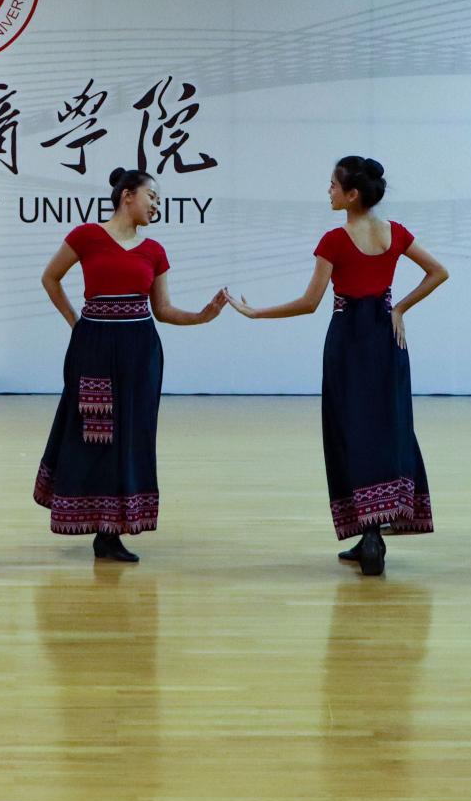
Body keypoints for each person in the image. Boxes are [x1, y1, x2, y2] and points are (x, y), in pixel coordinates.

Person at [232, 156, 448, 574]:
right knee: (389, 427)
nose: (328, 191)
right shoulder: (395, 233)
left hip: (348, 341)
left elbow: (309, 302)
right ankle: (374, 532)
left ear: (352, 194)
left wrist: (257, 312)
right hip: (386, 338)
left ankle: (368, 532)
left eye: (333, 185)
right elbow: (438, 272)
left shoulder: (334, 240)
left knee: (349, 432)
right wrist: (399, 307)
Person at [35, 168, 229, 562]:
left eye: (158, 200)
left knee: (131, 435)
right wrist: (77, 322)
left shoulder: (154, 250)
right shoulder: (86, 236)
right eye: (151, 196)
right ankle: (89, 516)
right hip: (93, 349)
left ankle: (111, 531)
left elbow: (163, 309)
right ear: (127, 195)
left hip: (140, 352)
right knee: (92, 431)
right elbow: (50, 278)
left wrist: (202, 316)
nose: (156, 205)